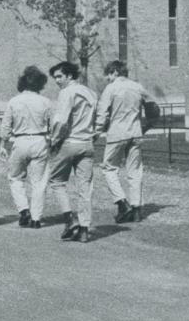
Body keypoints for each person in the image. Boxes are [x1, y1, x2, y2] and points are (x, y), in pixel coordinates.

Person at [0, 65, 55, 229]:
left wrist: (3, 144)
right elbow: (53, 125)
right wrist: (51, 141)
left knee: (15, 177)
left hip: (20, 141)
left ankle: (23, 210)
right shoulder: (46, 102)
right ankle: (36, 218)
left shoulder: (14, 101)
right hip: (40, 140)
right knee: (39, 182)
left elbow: (5, 126)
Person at [47, 60, 97, 242]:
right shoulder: (90, 92)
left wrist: (54, 141)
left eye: (59, 76)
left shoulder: (66, 92)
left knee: (57, 181)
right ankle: (84, 228)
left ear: (69, 75)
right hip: (87, 142)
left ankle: (70, 219)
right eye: (55, 78)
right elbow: (98, 121)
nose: (57, 81)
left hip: (69, 142)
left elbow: (61, 121)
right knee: (85, 187)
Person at [94, 60, 149, 223]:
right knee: (135, 171)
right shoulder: (138, 87)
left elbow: (102, 113)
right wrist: (145, 126)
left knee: (109, 168)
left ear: (115, 72)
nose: (107, 78)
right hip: (135, 132)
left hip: (117, 133)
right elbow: (152, 107)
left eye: (109, 74)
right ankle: (136, 208)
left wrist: (97, 131)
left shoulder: (110, 88)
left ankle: (121, 202)